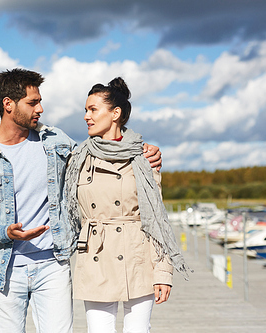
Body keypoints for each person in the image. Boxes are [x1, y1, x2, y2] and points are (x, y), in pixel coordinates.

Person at [0, 68, 163, 333]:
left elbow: (104, 151)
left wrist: (140, 149)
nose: (40, 108)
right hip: (3, 269)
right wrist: (3, 231)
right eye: (32, 102)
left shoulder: (56, 142)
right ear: (8, 104)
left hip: (53, 264)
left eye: (40, 100)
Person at [66, 77, 191, 333]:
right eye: (85, 110)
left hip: (138, 256)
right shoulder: (78, 158)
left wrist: (163, 273)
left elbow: (157, 219)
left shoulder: (144, 158)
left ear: (115, 113)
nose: (86, 116)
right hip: (95, 253)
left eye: (92, 109)